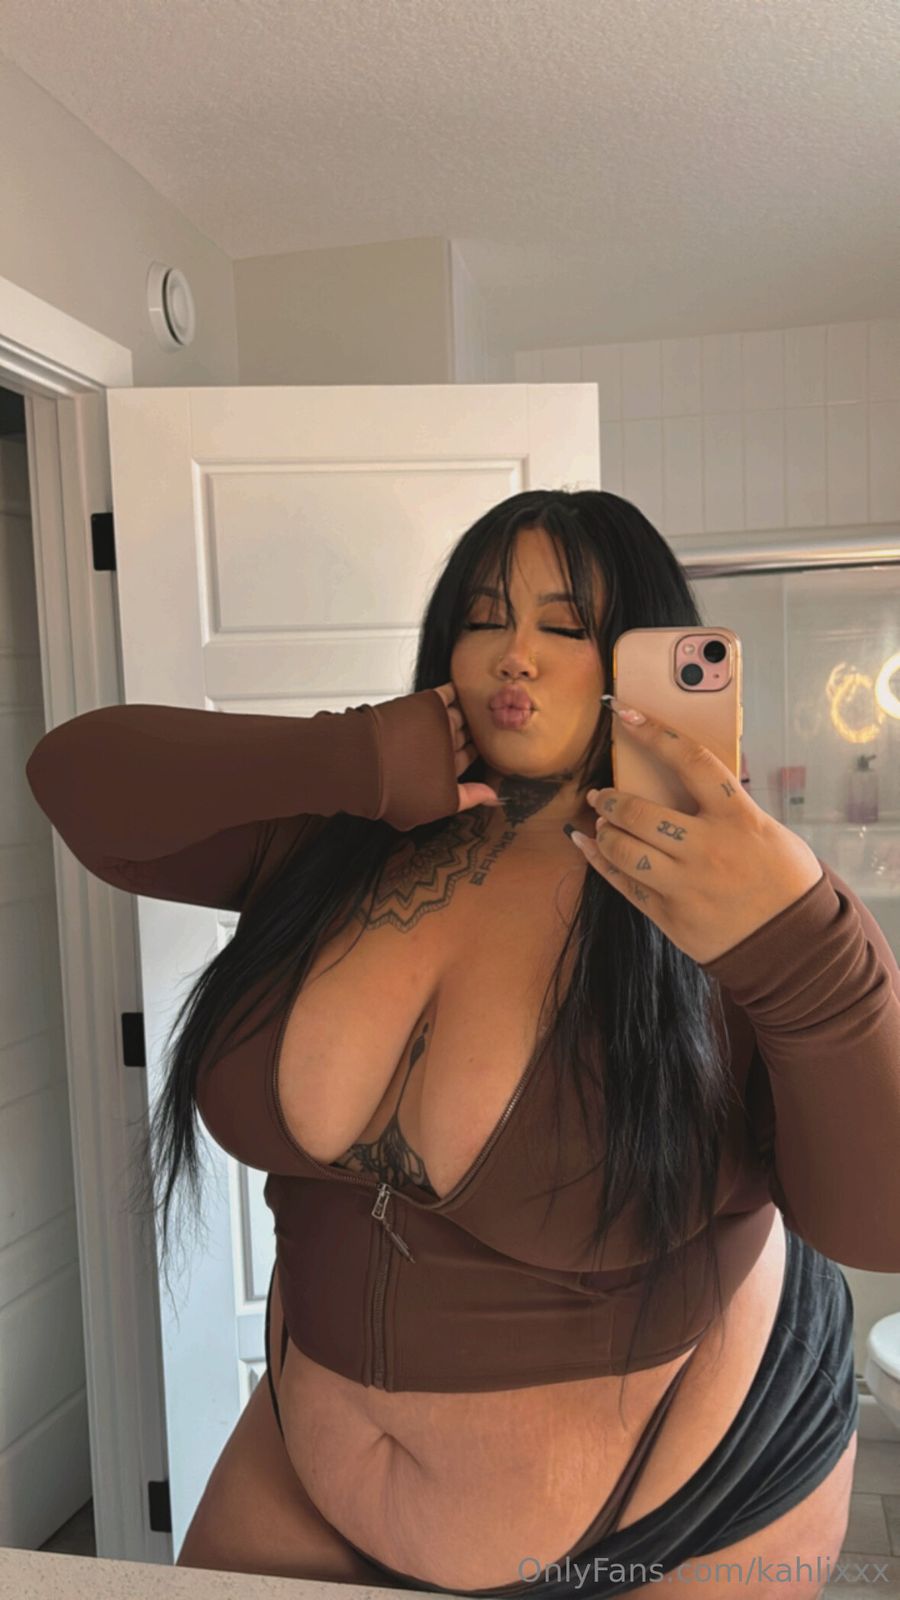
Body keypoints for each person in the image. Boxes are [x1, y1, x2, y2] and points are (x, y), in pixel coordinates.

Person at [25, 490, 900, 1598]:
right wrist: (347, 755)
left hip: (688, 1504)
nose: (514, 652)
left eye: (566, 624)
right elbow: (73, 778)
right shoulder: (342, 841)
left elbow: (878, 1223)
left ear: (639, 655)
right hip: (304, 1467)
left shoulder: (727, 901)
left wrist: (804, 947)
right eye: (484, 617)